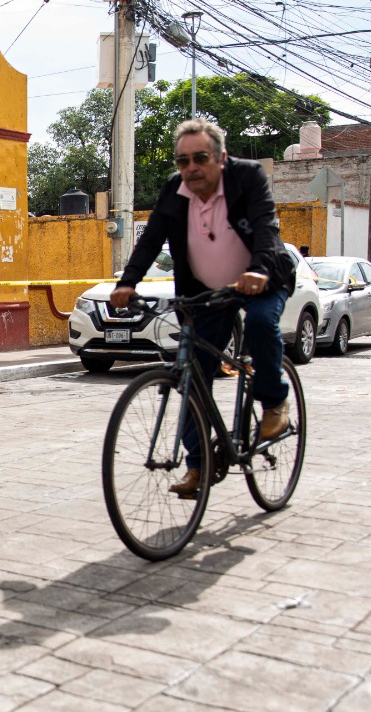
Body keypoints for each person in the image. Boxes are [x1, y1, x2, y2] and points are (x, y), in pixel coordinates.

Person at [109, 118, 293, 500]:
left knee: (260, 323)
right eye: (182, 161)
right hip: (206, 292)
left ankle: (274, 402)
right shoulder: (175, 191)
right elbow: (151, 240)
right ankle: (197, 465)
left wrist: (258, 270)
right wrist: (127, 282)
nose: (190, 168)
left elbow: (263, 228)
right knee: (193, 374)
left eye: (200, 158)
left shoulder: (247, 178)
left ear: (221, 158)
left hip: (262, 278)